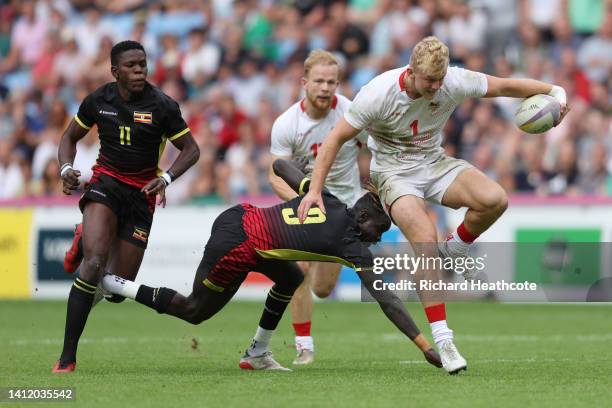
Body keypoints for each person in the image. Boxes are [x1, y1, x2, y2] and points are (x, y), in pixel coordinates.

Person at [298, 36, 569, 374]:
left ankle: (455, 247)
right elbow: (334, 140)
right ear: (411, 71)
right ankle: (444, 341)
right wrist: (314, 192)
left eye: (440, 80)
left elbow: (505, 86)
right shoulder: (377, 93)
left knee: (494, 200)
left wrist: (555, 91)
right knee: (425, 239)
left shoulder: (452, 80)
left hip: (434, 163)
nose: (437, 87)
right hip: (394, 174)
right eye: (429, 81)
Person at [101, 158, 442, 371]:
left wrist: (308, 184)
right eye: (379, 229)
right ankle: (114, 283)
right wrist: (426, 347)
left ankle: (257, 352)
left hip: (240, 215)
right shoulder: (350, 243)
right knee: (194, 311)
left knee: (291, 276)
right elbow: (387, 299)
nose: (378, 238)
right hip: (238, 245)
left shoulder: (328, 200)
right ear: (364, 216)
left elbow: (278, 165)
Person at [53, 40, 200, 373]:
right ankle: (67, 359)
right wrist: (65, 169)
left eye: (143, 65)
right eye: (132, 66)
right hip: (105, 184)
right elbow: (69, 137)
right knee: (92, 265)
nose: (139, 71)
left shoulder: (162, 106)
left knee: (117, 288)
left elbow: (191, 150)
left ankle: (84, 236)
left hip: (142, 196)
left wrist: (167, 177)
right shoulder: (98, 99)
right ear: (115, 71)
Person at [269, 49, 367, 364]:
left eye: (331, 82)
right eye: (319, 81)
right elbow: (276, 175)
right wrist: (302, 202)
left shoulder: (353, 114)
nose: (325, 88)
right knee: (298, 270)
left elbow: (375, 149)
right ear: (304, 83)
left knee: (323, 289)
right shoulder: (287, 124)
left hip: (344, 206)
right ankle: (304, 345)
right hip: (304, 204)